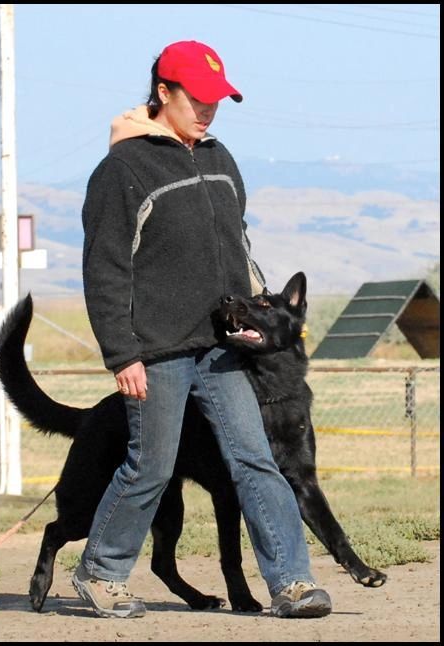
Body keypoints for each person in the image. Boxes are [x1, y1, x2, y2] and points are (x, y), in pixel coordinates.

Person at [72, 39, 332, 620]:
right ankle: (100, 570)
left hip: (222, 348)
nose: (209, 109)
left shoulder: (220, 158)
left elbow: (236, 245)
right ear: (163, 93)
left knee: (255, 460)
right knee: (152, 466)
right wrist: (122, 354)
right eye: (198, 98)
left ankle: (291, 583)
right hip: (157, 349)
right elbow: (105, 268)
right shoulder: (122, 170)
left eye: (218, 99)